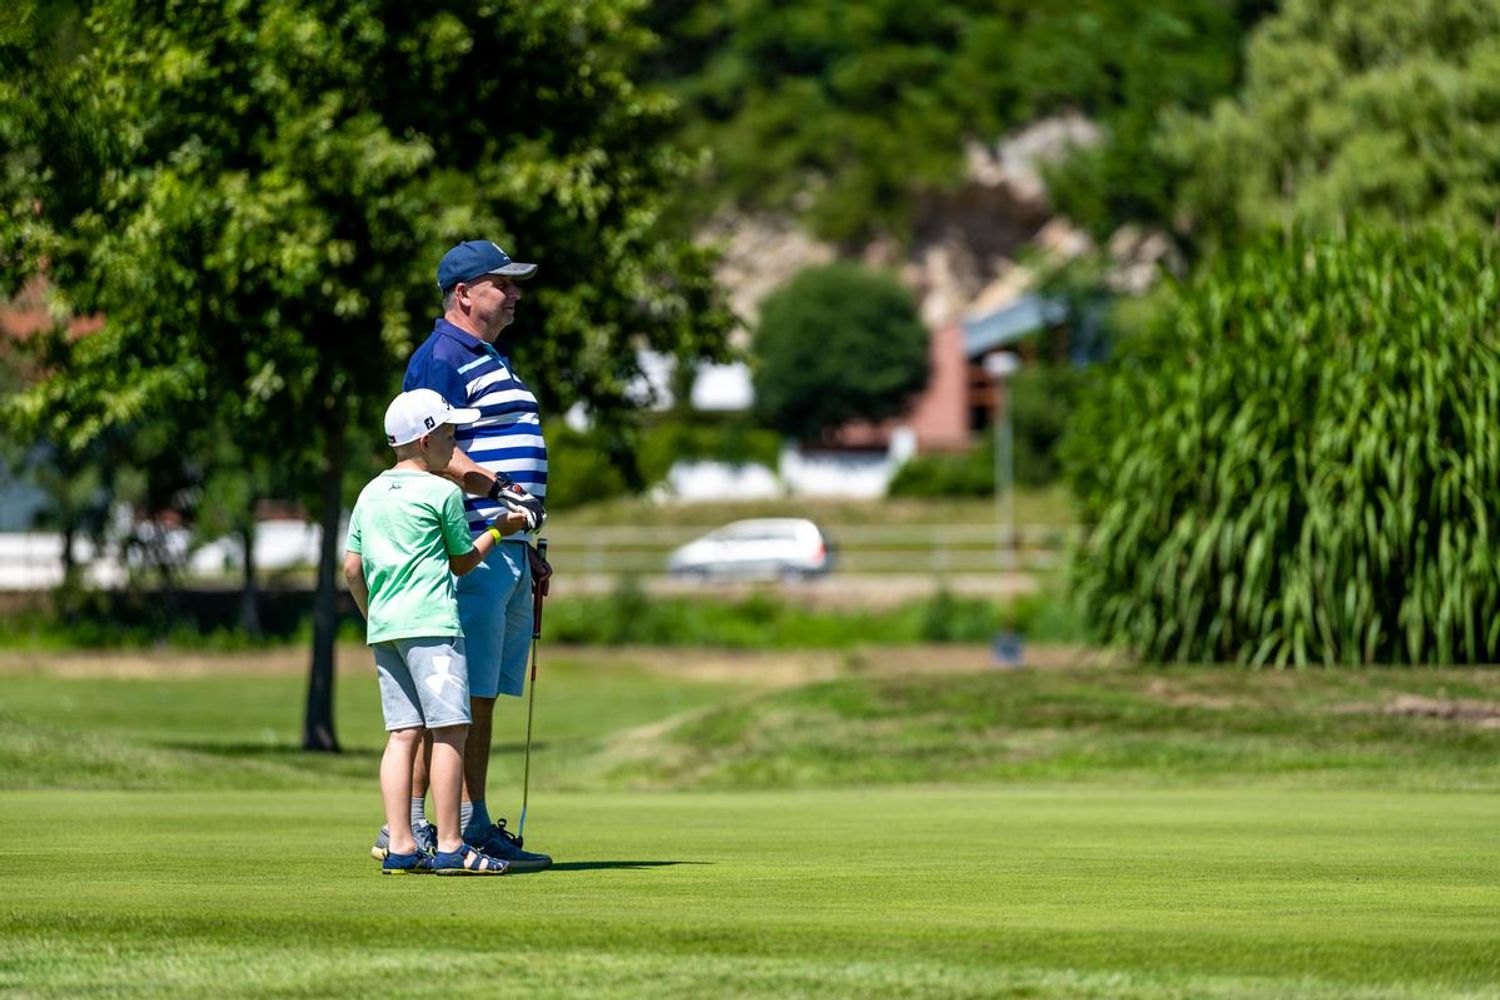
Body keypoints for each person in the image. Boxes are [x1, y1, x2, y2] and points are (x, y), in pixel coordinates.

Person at [384, 239, 554, 871]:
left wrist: (524, 542)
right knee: (453, 699)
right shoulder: (440, 357)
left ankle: (469, 822)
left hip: (505, 547)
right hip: (472, 547)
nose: (514, 294)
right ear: (463, 294)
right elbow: (431, 449)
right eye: (501, 284)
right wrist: (501, 491)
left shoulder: (490, 357)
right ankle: (424, 828)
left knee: (480, 696)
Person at [345, 388, 528, 876]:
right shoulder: (442, 493)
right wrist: (500, 530)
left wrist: (372, 615)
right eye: (449, 433)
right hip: (432, 625)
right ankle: (450, 845)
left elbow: (351, 569)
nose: (455, 442)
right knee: (449, 730)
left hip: (385, 628)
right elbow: (462, 562)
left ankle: (402, 845)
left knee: (402, 735)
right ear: (425, 441)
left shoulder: (369, 493)